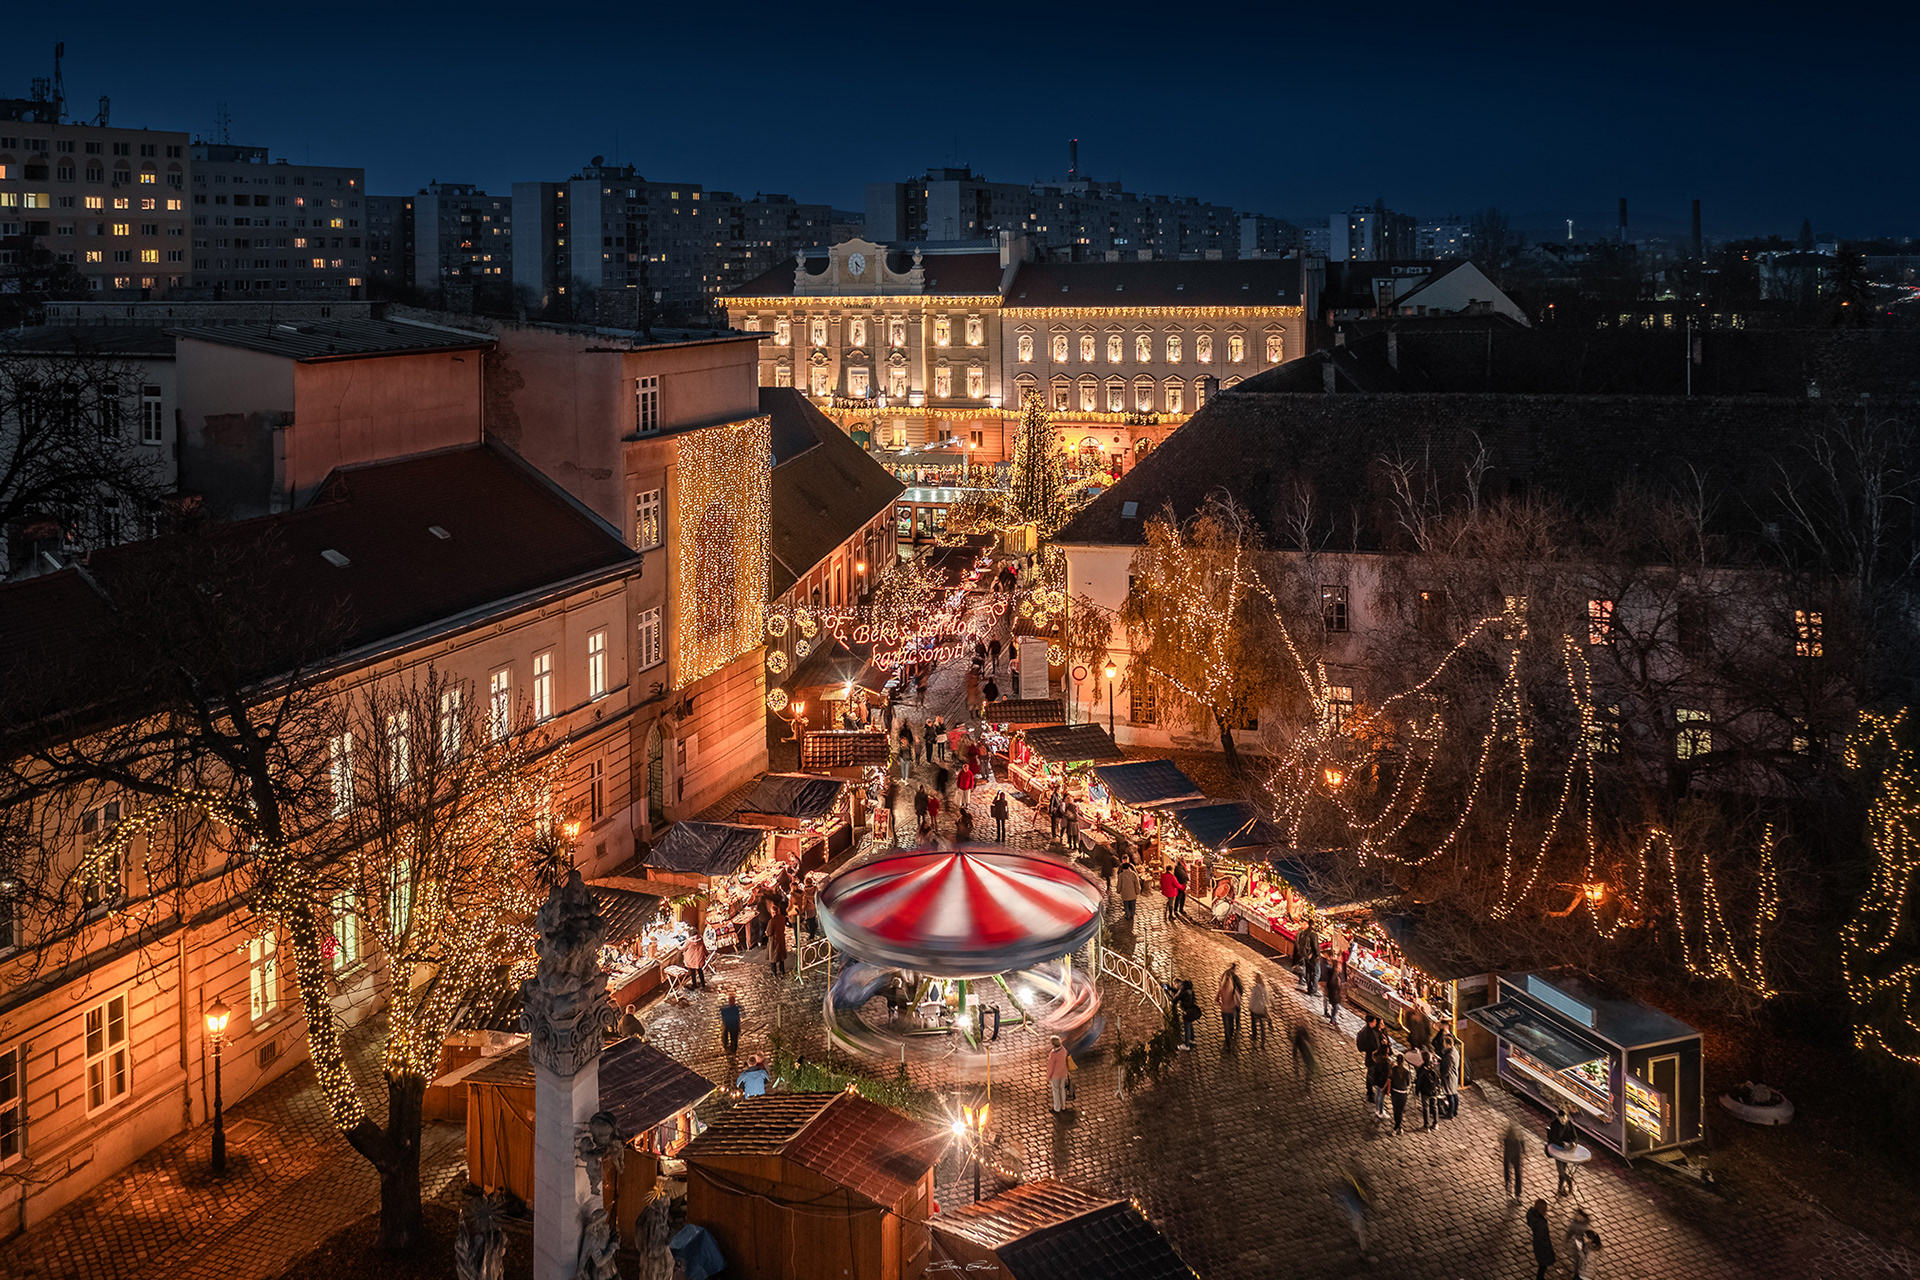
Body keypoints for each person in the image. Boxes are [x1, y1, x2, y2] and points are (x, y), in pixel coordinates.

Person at [1547, 1107, 1581, 1195]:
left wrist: (1574, 1143)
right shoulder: (1554, 1124)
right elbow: (1553, 1138)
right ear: (1558, 1117)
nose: (1563, 1121)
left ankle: (1560, 1188)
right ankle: (1569, 1181)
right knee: (1561, 1171)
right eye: (1562, 1119)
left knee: (1563, 1168)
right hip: (1557, 1149)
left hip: (1567, 1150)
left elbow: (1575, 1136)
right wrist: (1562, 1144)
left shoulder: (1569, 1124)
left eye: (1565, 1119)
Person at [1435, 1025, 1461, 1119]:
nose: (1443, 1045)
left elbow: (1447, 1069)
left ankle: (1450, 1113)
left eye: (1444, 1043)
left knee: (1450, 1096)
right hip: (1454, 1076)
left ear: (1448, 1045)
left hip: (1449, 1078)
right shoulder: (1454, 1051)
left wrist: (1441, 1076)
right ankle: (1455, 1111)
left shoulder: (1450, 1056)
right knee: (1454, 1094)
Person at [1526, 1199, 1556, 1280]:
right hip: (1542, 1246)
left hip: (1537, 1244)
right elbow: (1542, 1237)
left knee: (1542, 1263)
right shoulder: (1541, 1224)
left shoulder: (1532, 1215)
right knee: (1543, 1264)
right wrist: (1547, 1244)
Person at [1217, 963, 1243, 1052]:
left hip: (1224, 1010)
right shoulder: (1233, 986)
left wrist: (1221, 1004)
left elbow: (1216, 999)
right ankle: (1232, 1033)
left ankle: (1228, 1042)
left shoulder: (1222, 988)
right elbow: (1239, 992)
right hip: (1231, 1009)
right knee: (1231, 1025)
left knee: (1226, 1027)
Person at [1414, 1049, 1440, 1131]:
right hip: (1434, 1090)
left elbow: (1419, 1081)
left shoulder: (1422, 1069)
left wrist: (1417, 1091)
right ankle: (1436, 1123)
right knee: (1434, 1106)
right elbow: (1438, 1078)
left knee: (1426, 1108)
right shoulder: (1434, 1066)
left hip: (1425, 1091)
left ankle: (1426, 1126)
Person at [1174, 978, 1202, 1050]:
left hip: (1187, 1011)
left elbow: (1174, 1000)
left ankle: (1186, 1045)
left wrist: (1167, 992)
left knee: (1187, 1026)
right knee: (1190, 1024)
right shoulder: (1187, 987)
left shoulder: (1182, 991)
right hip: (1192, 1009)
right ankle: (1191, 1039)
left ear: (1176, 984)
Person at [1047, 1035, 1072, 1113]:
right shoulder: (1063, 1050)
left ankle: (1057, 1108)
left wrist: (1048, 1076)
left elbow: (1050, 1066)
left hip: (1055, 1075)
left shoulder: (1053, 1054)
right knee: (1062, 1089)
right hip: (1063, 1072)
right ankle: (1063, 1106)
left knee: (1055, 1090)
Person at [1503, 1123, 1526, 1201]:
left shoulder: (1515, 1136)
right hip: (1511, 1155)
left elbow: (1522, 1144)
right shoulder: (1509, 1137)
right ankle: (1508, 1183)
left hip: (1515, 1156)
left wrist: (1523, 1151)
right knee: (1509, 1170)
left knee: (1517, 1174)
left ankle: (1517, 1192)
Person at [1248, 971, 1271, 1046]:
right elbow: (1267, 999)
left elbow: (1252, 1000)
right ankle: (1263, 1041)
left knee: (1253, 1021)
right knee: (1262, 1026)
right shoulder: (1265, 988)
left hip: (1256, 1009)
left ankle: (1254, 1035)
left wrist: (1250, 1007)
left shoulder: (1255, 989)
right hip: (1263, 1009)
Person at [768, 901, 790, 977]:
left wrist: (766, 932)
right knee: (781, 956)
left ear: (773, 913)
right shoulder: (782, 918)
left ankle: (774, 971)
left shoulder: (772, 921)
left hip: (774, 940)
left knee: (773, 956)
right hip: (781, 939)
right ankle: (782, 970)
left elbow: (769, 932)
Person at [1297, 926, 1320, 995]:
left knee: (1308, 972)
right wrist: (1318, 955)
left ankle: (1309, 988)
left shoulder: (1303, 933)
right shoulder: (1313, 935)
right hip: (1312, 956)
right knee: (1316, 973)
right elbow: (1315, 947)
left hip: (1306, 955)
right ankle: (1314, 989)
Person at [719, 988, 743, 1056]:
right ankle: (733, 1049)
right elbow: (738, 1017)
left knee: (731, 1038)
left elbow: (723, 1018)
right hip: (733, 1025)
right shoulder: (735, 1009)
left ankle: (730, 1048)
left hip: (729, 1025)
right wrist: (739, 1026)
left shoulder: (725, 1010)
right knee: (734, 1038)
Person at [1117, 858, 1140, 922]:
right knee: (1133, 905)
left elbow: (1119, 884)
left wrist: (1118, 890)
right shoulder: (1133, 874)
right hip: (1132, 893)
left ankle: (1128, 915)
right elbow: (1136, 883)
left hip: (1125, 893)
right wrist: (1137, 890)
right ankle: (1132, 915)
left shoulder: (1121, 875)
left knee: (1126, 904)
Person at [1321, 956, 1342, 1023]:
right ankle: (1333, 1020)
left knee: (1326, 1001)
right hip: (1333, 993)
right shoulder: (1334, 975)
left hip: (1331, 991)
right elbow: (1333, 984)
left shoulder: (1331, 971)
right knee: (1335, 1006)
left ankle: (1326, 1012)